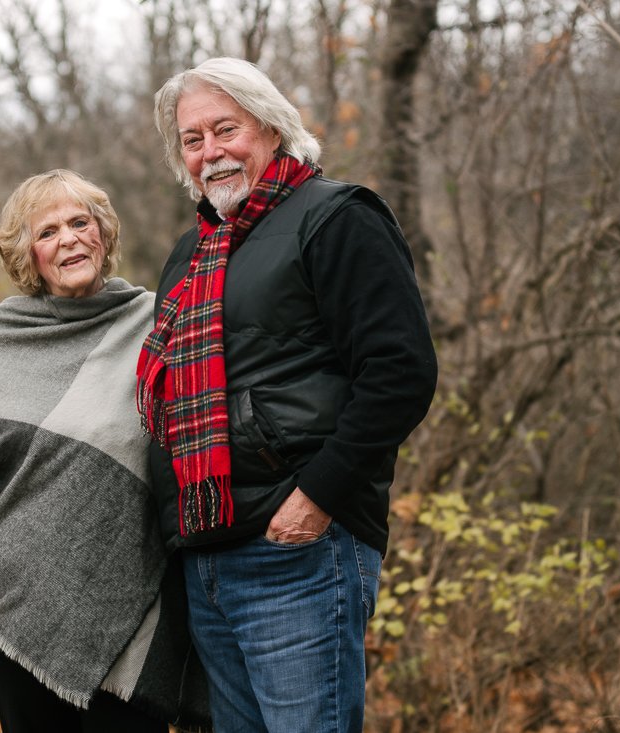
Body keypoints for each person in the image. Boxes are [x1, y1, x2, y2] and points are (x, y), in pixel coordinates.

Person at [137, 57, 438, 733]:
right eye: (193, 139)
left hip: (298, 551)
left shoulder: (336, 217)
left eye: (226, 128)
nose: (210, 151)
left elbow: (400, 370)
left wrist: (319, 496)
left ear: (271, 128)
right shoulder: (192, 253)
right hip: (207, 556)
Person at [0, 169, 207, 733]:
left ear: (104, 234)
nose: (70, 238)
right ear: (28, 253)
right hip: (15, 601)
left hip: (137, 598)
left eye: (81, 222)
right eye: (49, 231)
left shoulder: (154, 320)